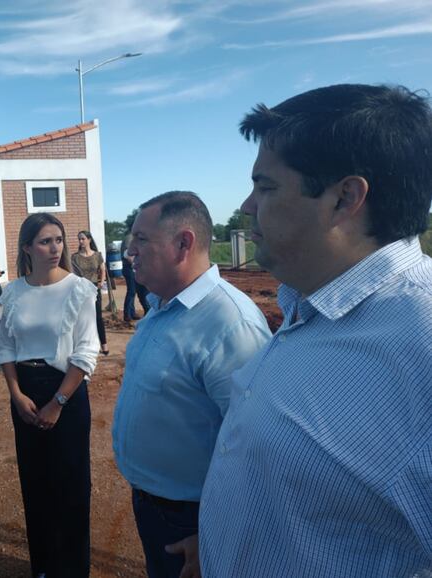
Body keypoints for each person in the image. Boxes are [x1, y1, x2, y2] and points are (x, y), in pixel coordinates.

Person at [199, 84, 432, 577]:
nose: (246, 205)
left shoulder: (420, 342)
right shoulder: (309, 302)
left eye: (265, 186)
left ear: (344, 198)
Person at [111, 191, 271, 578]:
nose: (130, 251)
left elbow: (258, 450)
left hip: (195, 520)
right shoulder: (163, 305)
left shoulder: (230, 325)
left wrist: (216, 533)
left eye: (141, 239)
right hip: (156, 505)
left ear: (184, 243)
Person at [0, 213, 100, 578]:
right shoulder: (13, 292)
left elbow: (87, 350)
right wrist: (15, 394)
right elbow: (6, 348)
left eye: (58, 239)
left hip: (66, 391)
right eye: (45, 241)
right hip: (25, 391)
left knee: (71, 483)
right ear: (27, 247)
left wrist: (57, 403)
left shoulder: (79, 289)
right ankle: (43, 567)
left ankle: (73, 570)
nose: (54, 247)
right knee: (35, 481)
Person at [71, 230, 109, 355]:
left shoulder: (97, 255)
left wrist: (101, 282)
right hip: (81, 289)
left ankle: (104, 345)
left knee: (97, 316)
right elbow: (74, 274)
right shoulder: (75, 257)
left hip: (94, 288)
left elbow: (102, 269)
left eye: (83, 239)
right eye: (79, 239)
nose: (81, 241)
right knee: (82, 318)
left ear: (89, 240)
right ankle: (84, 345)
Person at [121, 232, 151, 322]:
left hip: (133, 268)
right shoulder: (130, 238)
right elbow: (127, 254)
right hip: (130, 269)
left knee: (136, 291)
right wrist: (135, 265)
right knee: (131, 291)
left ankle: (132, 312)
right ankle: (127, 314)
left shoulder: (133, 238)